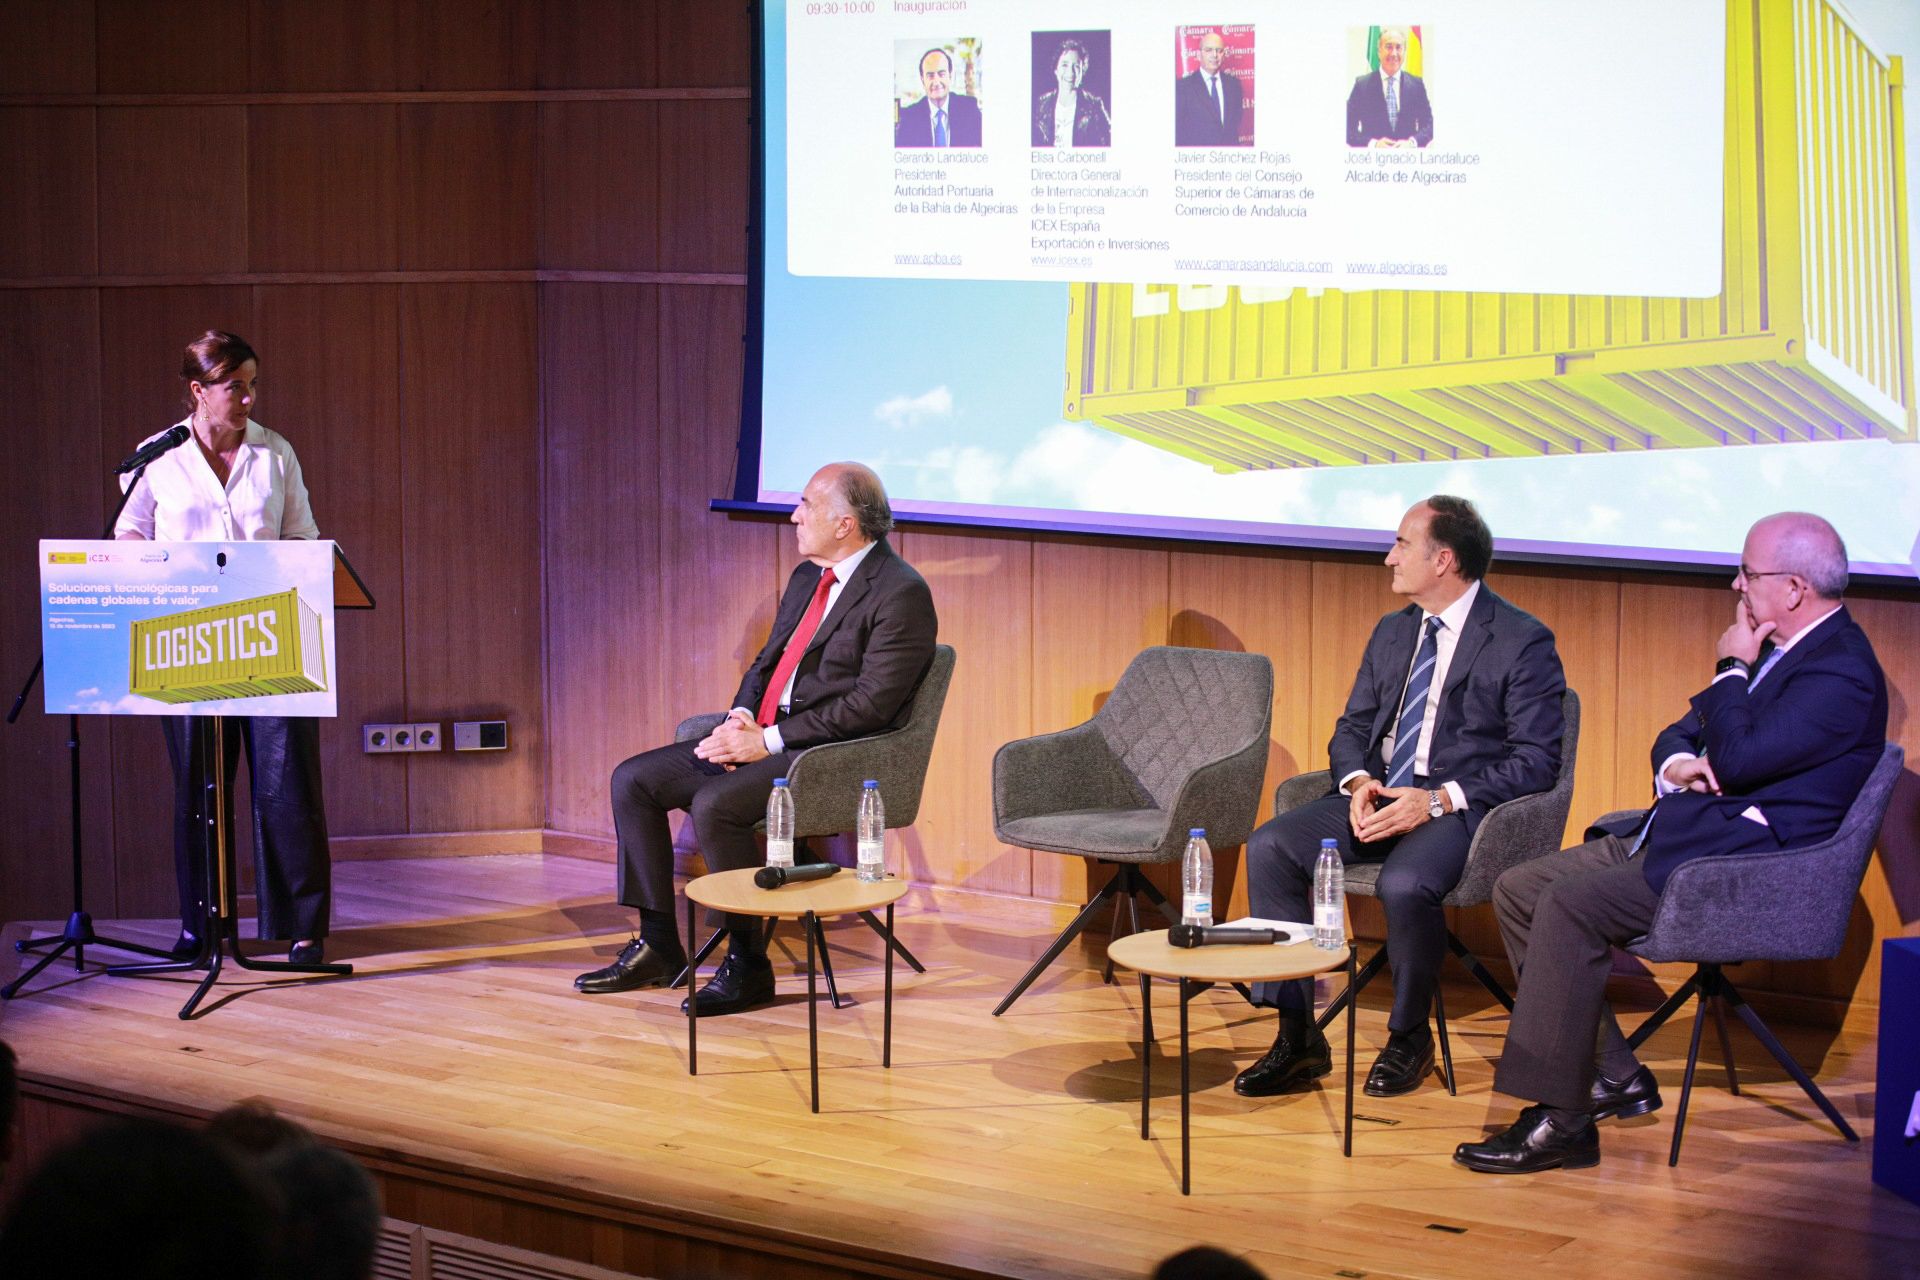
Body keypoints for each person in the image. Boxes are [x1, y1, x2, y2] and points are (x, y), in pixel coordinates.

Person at [1456, 513, 1886, 1174]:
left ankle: (1561, 1118)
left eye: (1750, 572)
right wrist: (1676, 766)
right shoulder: (1777, 649)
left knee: (1569, 906)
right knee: (1520, 889)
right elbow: (1681, 731)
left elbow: (1738, 758)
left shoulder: (1842, 672)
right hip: (1684, 835)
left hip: (1740, 871)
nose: (1736, 584)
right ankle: (1614, 1076)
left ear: (1796, 588)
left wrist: (1729, 668)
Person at [575, 463, 938, 1015]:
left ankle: (748, 968)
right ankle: (657, 944)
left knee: (715, 803)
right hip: (769, 736)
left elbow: (870, 707)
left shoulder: (900, 592)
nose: (794, 515)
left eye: (806, 506)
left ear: (844, 523)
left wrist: (767, 741)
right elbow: (767, 663)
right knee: (635, 779)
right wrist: (740, 715)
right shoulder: (807, 578)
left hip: (826, 754)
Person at [1234, 496, 1566, 1100]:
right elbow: (1353, 727)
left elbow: (1537, 762)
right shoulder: (1393, 631)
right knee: (1272, 846)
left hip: (1462, 808)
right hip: (1383, 791)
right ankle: (1297, 1036)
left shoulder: (1521, 640)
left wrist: (1437, 800)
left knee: (1404, 884)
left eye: (1402, 545)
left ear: (1443, 559)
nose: (1388, 557)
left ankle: (1410, 1035)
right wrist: (1359, 783)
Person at [115, 330, 333, 966]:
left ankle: (301, 929)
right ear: (198, 391)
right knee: (198, 788)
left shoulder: (275, 452)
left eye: (253, 384)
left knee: (286, 783)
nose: (247, 397)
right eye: (234, 385)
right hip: (186, 643)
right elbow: (130, 533)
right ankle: (200, 925)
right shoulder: (156, 457)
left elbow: (304, 536)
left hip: (272, 635)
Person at [1347, 27, 1433, 148]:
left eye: (1398, 47)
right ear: (1379, 51)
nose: (1394, 53)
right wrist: (1374, 144)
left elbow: (1429, 125)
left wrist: (1412, 143)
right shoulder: (1362, 85)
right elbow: (1347, 129)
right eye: (1388, 47)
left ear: (1404, 52)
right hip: (1372, 162)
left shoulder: (1416, 85)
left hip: (1408, 161)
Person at [896, 47, 983, 148]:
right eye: (930, 75)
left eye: (941, 74)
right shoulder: (910, 117)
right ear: (922, 80)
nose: (936, 82)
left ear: (950, 76)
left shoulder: (969, 109)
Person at [1033, 38, 1112, 148]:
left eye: (1076, 66)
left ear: (1082, 72)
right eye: (1064, 65)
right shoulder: (1040, 105)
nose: (1070, 73)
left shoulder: (1095, 107)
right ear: (1056, 70)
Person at [1174, 30, 1246, 146]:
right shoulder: (1182, 88)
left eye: (1219, 50)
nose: (1214, 55)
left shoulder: (1234, 85)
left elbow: (1234, 126)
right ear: (1199, 55)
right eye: (1208, 50)